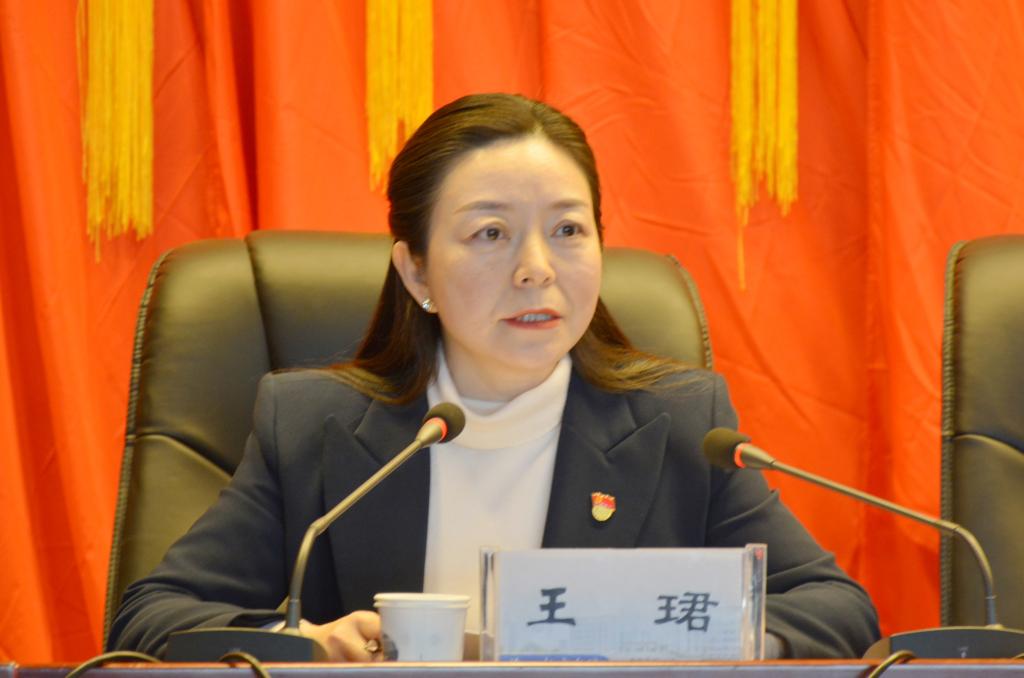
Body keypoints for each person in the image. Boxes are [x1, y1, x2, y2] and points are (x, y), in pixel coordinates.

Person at [108, 93, 879, 661]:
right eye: (490, 233)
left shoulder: (679, 427)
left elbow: (837, 610)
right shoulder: (311, 427)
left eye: (568, 229)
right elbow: (150, 619)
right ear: (416, 271)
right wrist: (303, 641)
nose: (536, 268)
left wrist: (716, 639)